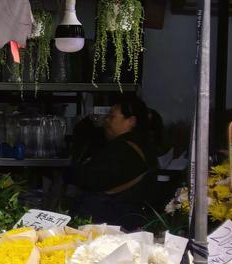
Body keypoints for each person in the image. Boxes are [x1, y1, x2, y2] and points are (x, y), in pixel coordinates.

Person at [70, 93, 163, 228]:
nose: (106, 121)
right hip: (130, 220)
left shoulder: (122, 149)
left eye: (111, 116)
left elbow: (89, 179)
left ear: (131, 121)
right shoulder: (143, 145)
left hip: (111, 221)